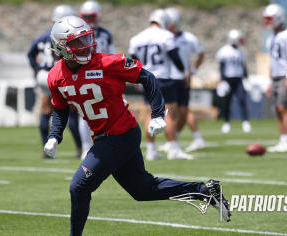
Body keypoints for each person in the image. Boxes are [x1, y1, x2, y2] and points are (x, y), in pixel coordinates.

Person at [44, 16, 231, 236]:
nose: (85, 46)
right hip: (105, 136)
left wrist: (158, 114)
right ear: (61, 47)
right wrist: (54, 135)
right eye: (77, 42)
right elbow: (60, 108)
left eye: (86, 39)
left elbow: (148, 77)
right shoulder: (55, 76)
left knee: (79, 186)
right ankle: (204, 191)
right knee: (142, 190)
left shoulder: (107, 62)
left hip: (120, 134)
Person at [129, 9, 192, 160]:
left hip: (146, 78)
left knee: (149, 113)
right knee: (169, 112)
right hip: (163, 78)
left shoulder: (137, 38)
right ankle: (173, 148)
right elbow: (174, 56)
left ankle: (151, 150)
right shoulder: (166, 36)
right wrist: (184, 72)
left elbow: (133, 60)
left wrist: (136, 78)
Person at [27, 4, 82, 159]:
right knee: (71, 112)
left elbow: (30, 54)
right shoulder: (61, 35)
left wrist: (37, 69)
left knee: (46, 112)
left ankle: (47, 150)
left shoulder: (41, 36)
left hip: (43, 75)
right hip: (58, 75)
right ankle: (80, 147)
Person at [163, 7, 206, 153]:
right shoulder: (165, 37)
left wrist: (192, 71)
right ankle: (175, 139)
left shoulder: (187, 38)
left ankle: (178, 140)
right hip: (174, 77)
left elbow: (201, 54)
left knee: (180, 111)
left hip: (179, 78)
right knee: (177, 112)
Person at [78, 0, 115, 159]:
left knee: (108, 111)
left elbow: (111, 55)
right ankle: (86, 147)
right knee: (86, 112)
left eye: (91, 16)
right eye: (85, 16)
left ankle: (106, 143)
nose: (88, 20)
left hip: (103, 75)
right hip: (85, 75)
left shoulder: (105, 34)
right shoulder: (77, 33)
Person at [263, 4, 287, 152]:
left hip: (285, 75)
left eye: (270, 19)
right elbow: (272, 60)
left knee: (284, 108)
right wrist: (270, 81)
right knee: (277, 109)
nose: (268, 22)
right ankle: (282, 140)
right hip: (276, 77)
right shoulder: (272, 37)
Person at [215, 29, 251, 134]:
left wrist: (247, 78)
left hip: (238, 79)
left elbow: (243, 66)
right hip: (228, 79)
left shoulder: (240, 51)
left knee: (242, 100)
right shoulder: (224, 51)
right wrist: (222, 80)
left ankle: (245, 122)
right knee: (227, 102)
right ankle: (226, 123)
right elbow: (221, 66)